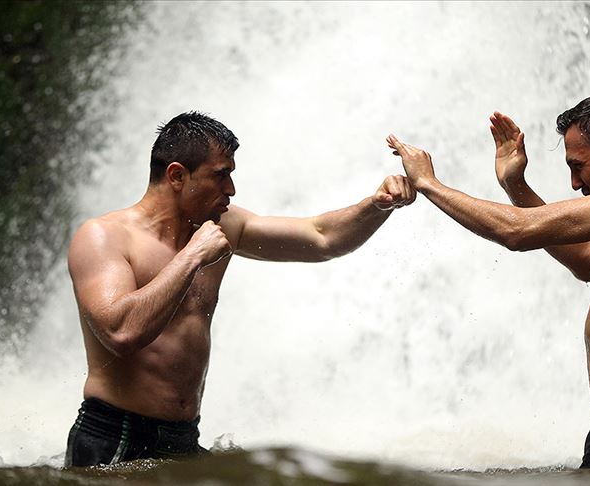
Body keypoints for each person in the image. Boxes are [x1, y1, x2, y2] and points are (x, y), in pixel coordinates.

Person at [386, 91, 590, 469]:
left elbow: (516, 233)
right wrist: (516, 186)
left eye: (578, 165)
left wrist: (430, 184)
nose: (576, 183)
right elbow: (587, 263)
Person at [64, 112, 416, 467]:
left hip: (184, 438)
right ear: (176, 175)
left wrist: (377, 205)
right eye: (220, 176)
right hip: (115, 437)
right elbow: (120, 332)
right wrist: (193, 256)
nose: (230, 190)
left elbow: (321, 238)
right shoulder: (103, 237)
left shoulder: (223, 226)